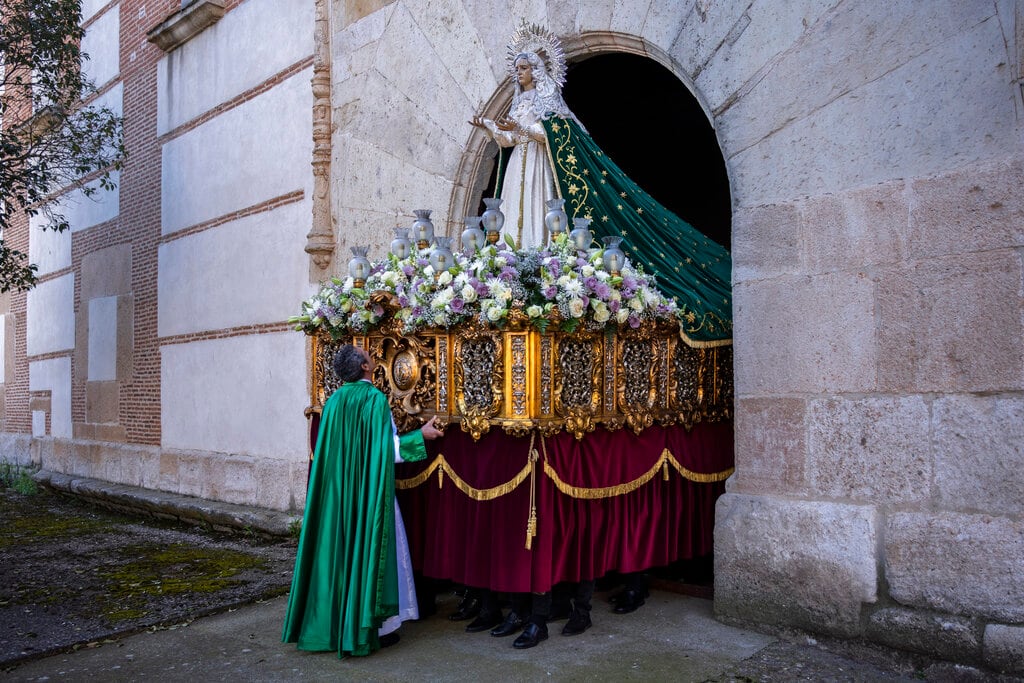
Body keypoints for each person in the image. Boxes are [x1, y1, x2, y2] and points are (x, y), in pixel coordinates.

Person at [471, 22, 732, 346]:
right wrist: (491, 129)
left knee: (541, 214)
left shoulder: (546, 97)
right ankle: (514, 273)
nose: (519, 72)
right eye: (517, 68)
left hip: (539, 168)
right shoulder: (520, 102)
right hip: (519, 169)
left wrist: (526, 131)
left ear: (536, 70)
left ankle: (543, 268)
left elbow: (555, 134)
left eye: (524, 67)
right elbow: (509, 140)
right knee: (512, 217)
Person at [282, 345, 443, 657]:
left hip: (339, 495)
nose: (371, 354)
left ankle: (336, 622)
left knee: (340, 554)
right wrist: (419, 435)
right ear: (366, 368)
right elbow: (386, 452)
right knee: (374, 551)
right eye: (367, 355)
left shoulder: (334, 402)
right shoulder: (373, 399)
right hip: (369, 494)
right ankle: (374, 628)